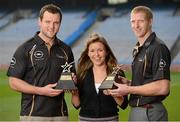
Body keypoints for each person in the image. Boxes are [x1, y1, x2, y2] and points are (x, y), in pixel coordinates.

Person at [7, 4, 76, 121]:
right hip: (33, 115)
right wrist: (41, 91)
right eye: (48, 22)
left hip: (60, 115)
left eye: (56, 23)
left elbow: (70, 82)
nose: (52, 27)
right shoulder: (25, 48)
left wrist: (72, 81)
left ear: (60, 24)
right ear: (39, 21)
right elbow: (13, 82)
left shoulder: (66, 50)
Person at [108, 6, 171, 121]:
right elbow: (149, 80)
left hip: (149, 111)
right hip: (138, 111)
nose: (136, 26)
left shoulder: (158, 47)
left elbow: (163, 87)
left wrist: (128, 90)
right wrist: (130, 83)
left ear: (150, 21)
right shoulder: (139, 48)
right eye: (133, 21)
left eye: (140, 21)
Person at [71, 33, 128, 121]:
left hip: (110, 119)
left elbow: (124, 105)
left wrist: (114, 94)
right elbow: (76, 105)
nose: (96, 54)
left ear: (106, 52)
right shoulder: (82, 74)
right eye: (92, 51)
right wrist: (74, 93)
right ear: (88, 54)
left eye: (100, 50)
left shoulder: (117, 73)